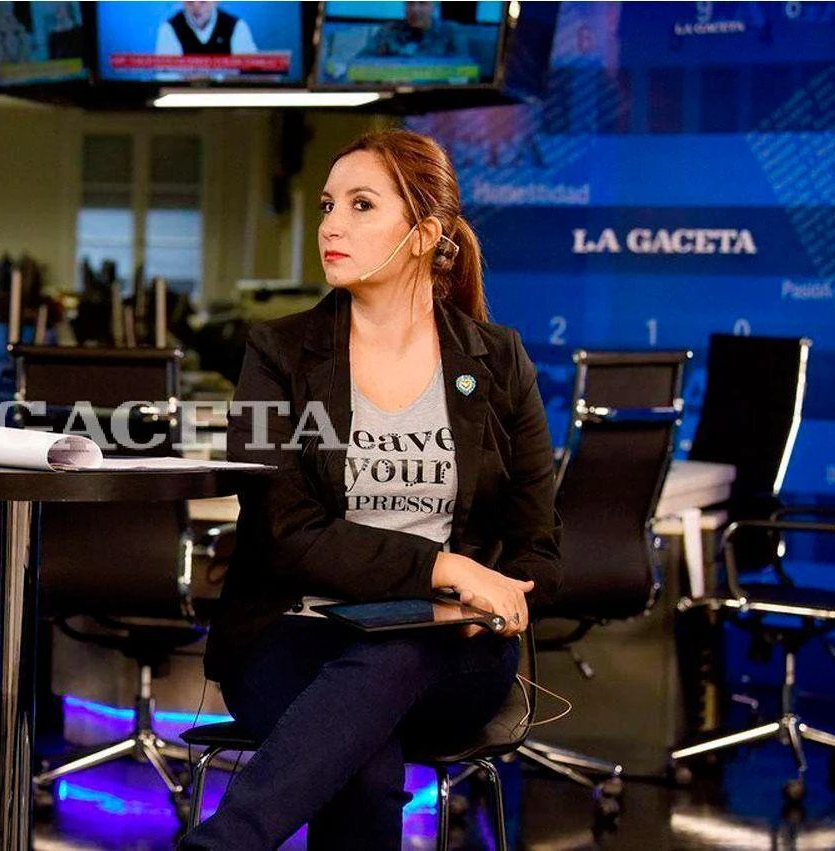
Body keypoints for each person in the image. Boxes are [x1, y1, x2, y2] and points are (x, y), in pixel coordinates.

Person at [179, 129, 561, 849]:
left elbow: (537, 545)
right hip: (291, 636)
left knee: (404, 647)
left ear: (426, 234)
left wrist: (490, 602)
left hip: (452, 647)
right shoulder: (276, 353)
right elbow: (286, 534)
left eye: (361, 205)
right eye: (328, 205)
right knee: (363, 759)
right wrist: (444, 568)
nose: (331, 225)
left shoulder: (498, 359)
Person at [361, 0, 467, 58]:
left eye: (422, 3)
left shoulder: (451, 32)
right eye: (410, 3)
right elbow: (361, 62)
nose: (415, 9)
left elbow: (464, 70)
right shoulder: (389, 31)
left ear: (435, 6)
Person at [154, 1, 258, 55]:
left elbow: (248, 71)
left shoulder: (237, 26)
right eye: (190, 2)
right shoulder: (169, 28)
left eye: (203, 1)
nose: (196, 7)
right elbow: (166, 76)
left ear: (216, 1)